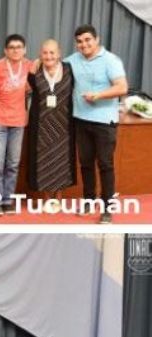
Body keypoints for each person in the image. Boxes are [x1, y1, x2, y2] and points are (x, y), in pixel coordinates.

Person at [63, 25, 128, 224]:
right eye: (79, 41)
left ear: (97, 39)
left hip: (104, 122)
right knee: (86, 164)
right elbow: (53, 66)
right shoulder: (72, 60)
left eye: (87, 40)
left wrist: (98, 95)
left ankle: (108, 208)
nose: (84, 44)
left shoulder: (111, 60)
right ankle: (89, 201)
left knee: (105, 165)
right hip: (81, 120)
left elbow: (122, 87)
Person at [0, 35, 33, 216]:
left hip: (18, 122)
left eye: (19, 47)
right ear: (5, 50)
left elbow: (51, 65)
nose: (15, 50)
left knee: (13, 164)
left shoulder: (30, 65)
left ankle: (7, 200)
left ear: (25, 50)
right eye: (12, 47)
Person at [26, 40, 76, 198]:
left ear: (59, 53)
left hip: (64, 124)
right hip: (41, 125)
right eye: (45, 53)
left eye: (52, 52)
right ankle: (47, 198)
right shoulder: (34, 71)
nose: (49, 56)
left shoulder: (70, 69)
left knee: (62, 159)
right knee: (43, 159)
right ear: (40, 54)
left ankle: (59, 196)